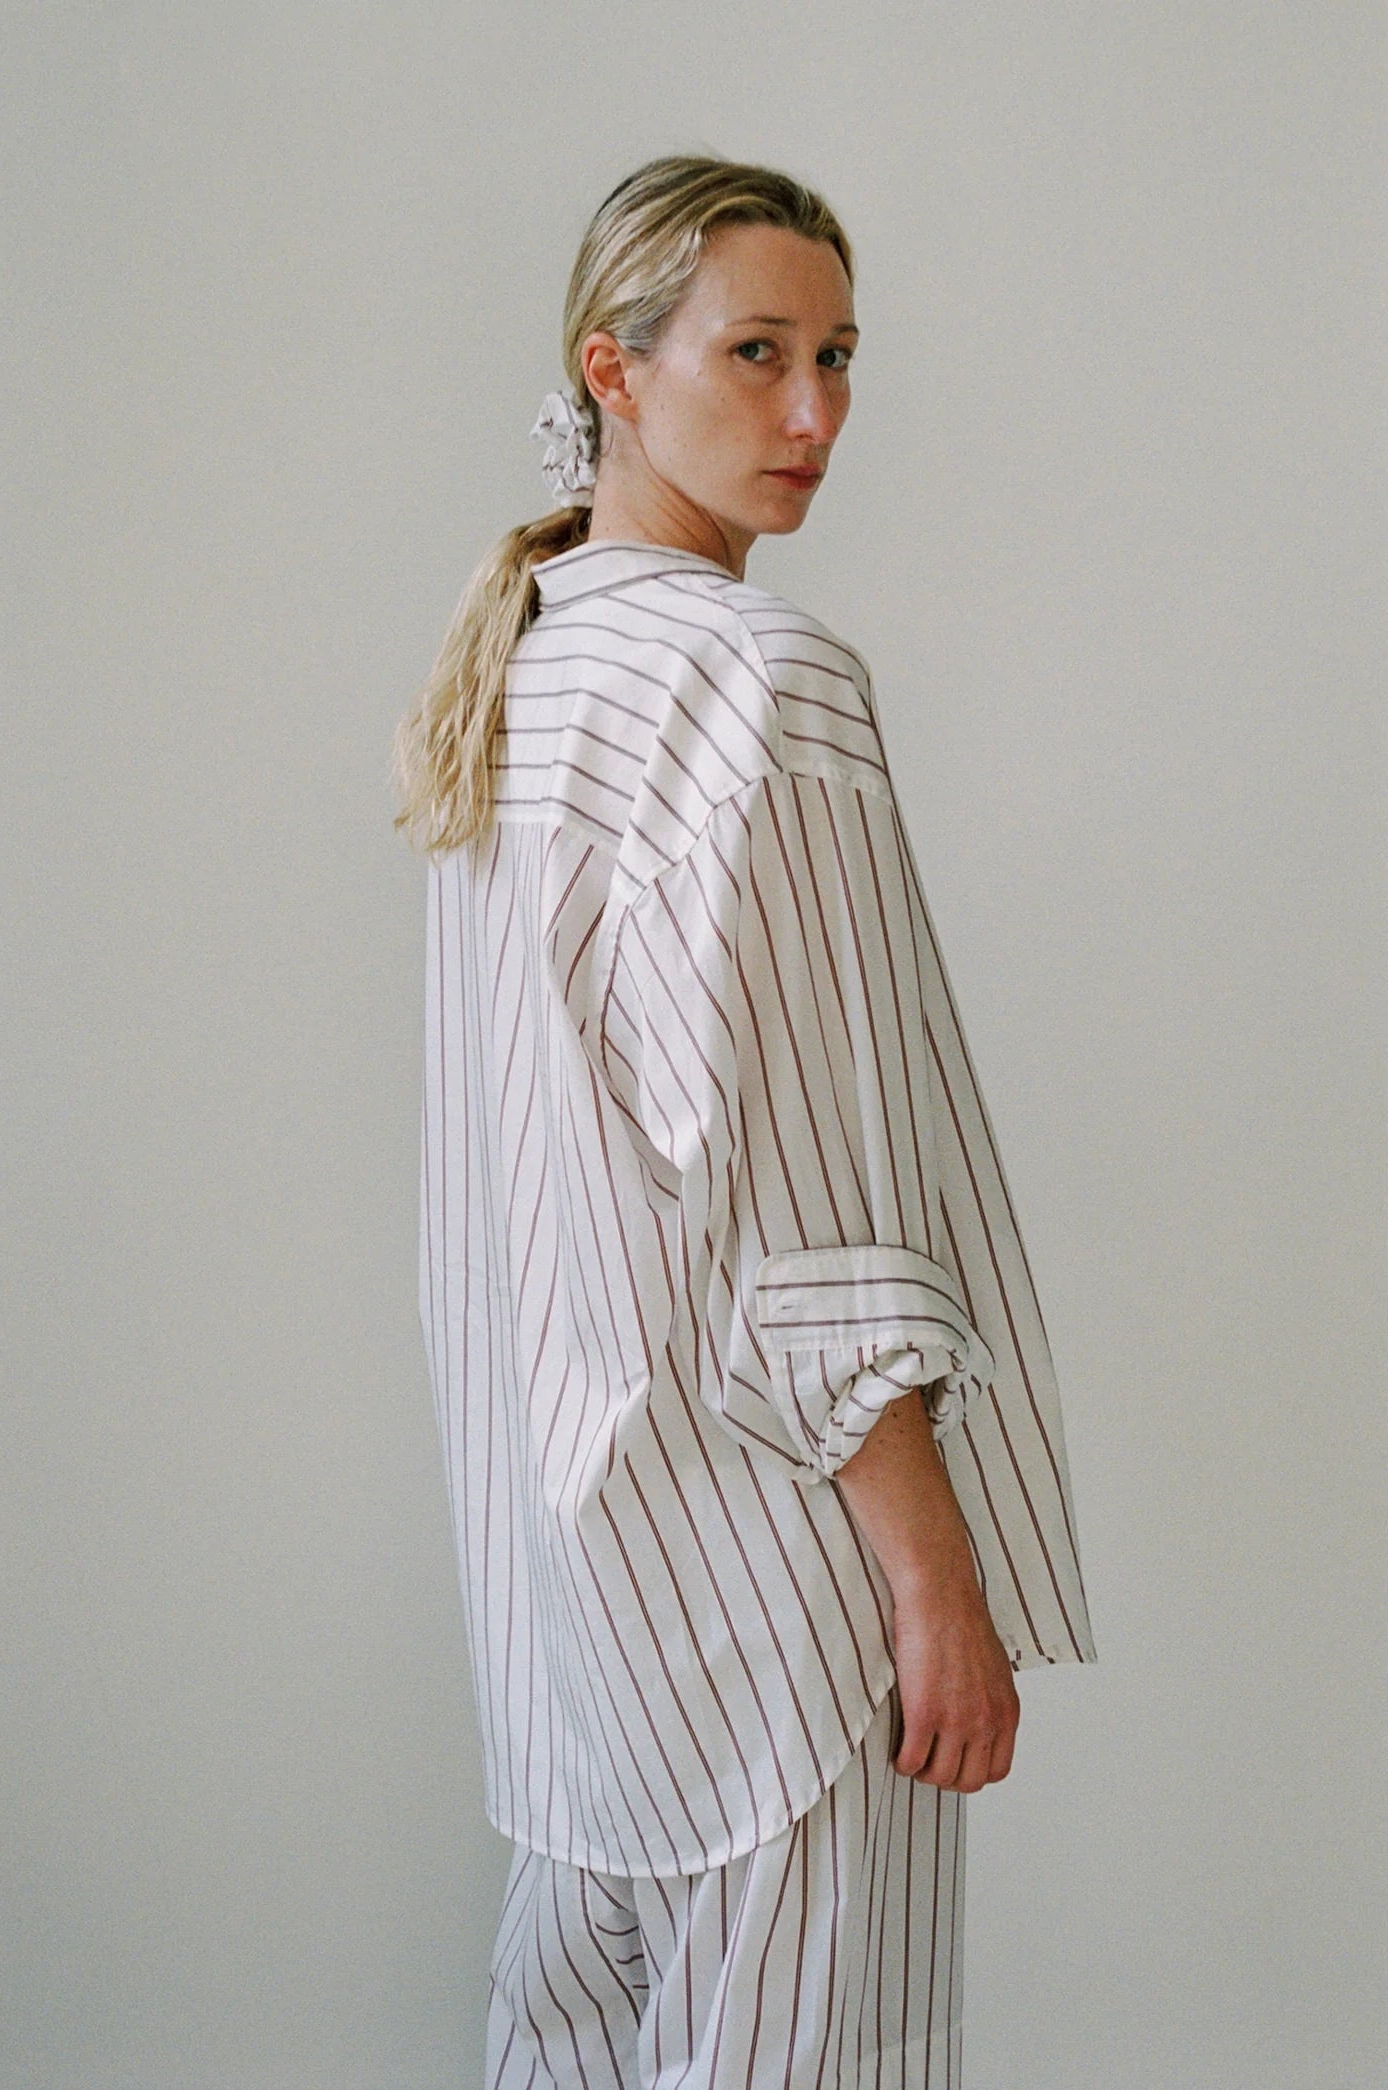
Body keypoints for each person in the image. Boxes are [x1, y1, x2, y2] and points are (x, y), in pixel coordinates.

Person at [392, 152, 1096, 2090]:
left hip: (572, 1626)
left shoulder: (518, 676)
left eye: (841, 358)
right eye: (757, 352)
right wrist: (936, 1584)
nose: (813, 416)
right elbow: (802, 1221)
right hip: (775, 1612)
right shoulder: (761, 680)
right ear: (611, 371)